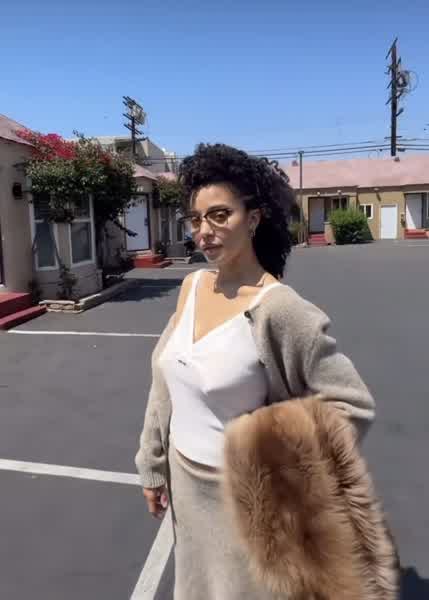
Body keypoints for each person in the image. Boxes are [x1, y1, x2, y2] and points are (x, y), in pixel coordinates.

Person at [135, 143, 375, 600]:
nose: (204, 231)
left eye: (220, 215)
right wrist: (152, 463)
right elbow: (164, 381)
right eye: (195, 219)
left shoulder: (279, 309)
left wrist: (272, 457)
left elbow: (353, 405)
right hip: (185, 488)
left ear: (254, 218)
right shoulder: (192, 286)